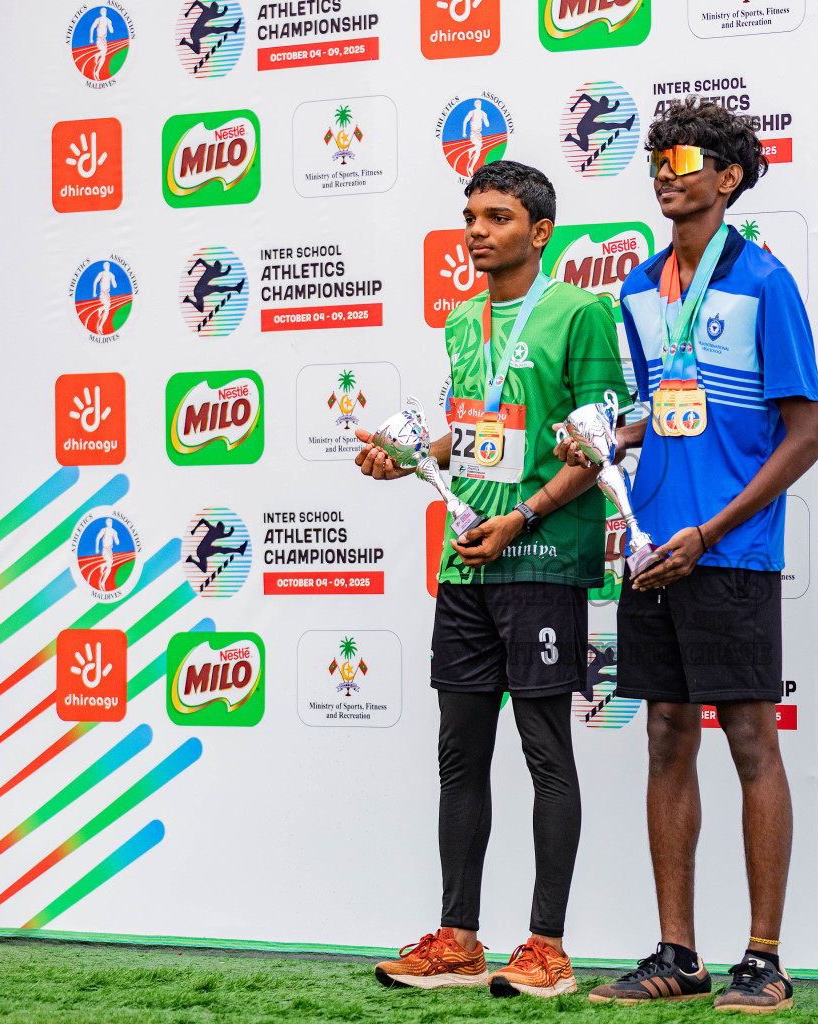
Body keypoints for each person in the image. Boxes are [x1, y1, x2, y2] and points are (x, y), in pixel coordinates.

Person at [559, 98, 818, 1014]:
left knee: (750, 739)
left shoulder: (765, 281)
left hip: (730, 550)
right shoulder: (635, 288)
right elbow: (651, 408)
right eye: (657, 157)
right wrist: (603, 438)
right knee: (666, 734)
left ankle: (763, 959)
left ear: (729, 177)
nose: (667, 170)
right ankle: (678, 954)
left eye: (686, 158)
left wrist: (712, 531)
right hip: (650, 547)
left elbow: (806, 435)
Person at [352, 160, 626, 999]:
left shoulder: (581, 312)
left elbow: (600, 442)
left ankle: (546, 946)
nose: (477, 230)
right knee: (458, 754)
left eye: (497, 217)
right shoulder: (462, 321)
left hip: (541, 559)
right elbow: (474, 436)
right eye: (471, 215)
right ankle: (460, 939)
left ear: (539, 232)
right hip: (464, 562)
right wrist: (410, 461)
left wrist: (529, 515)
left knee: (545, 752)